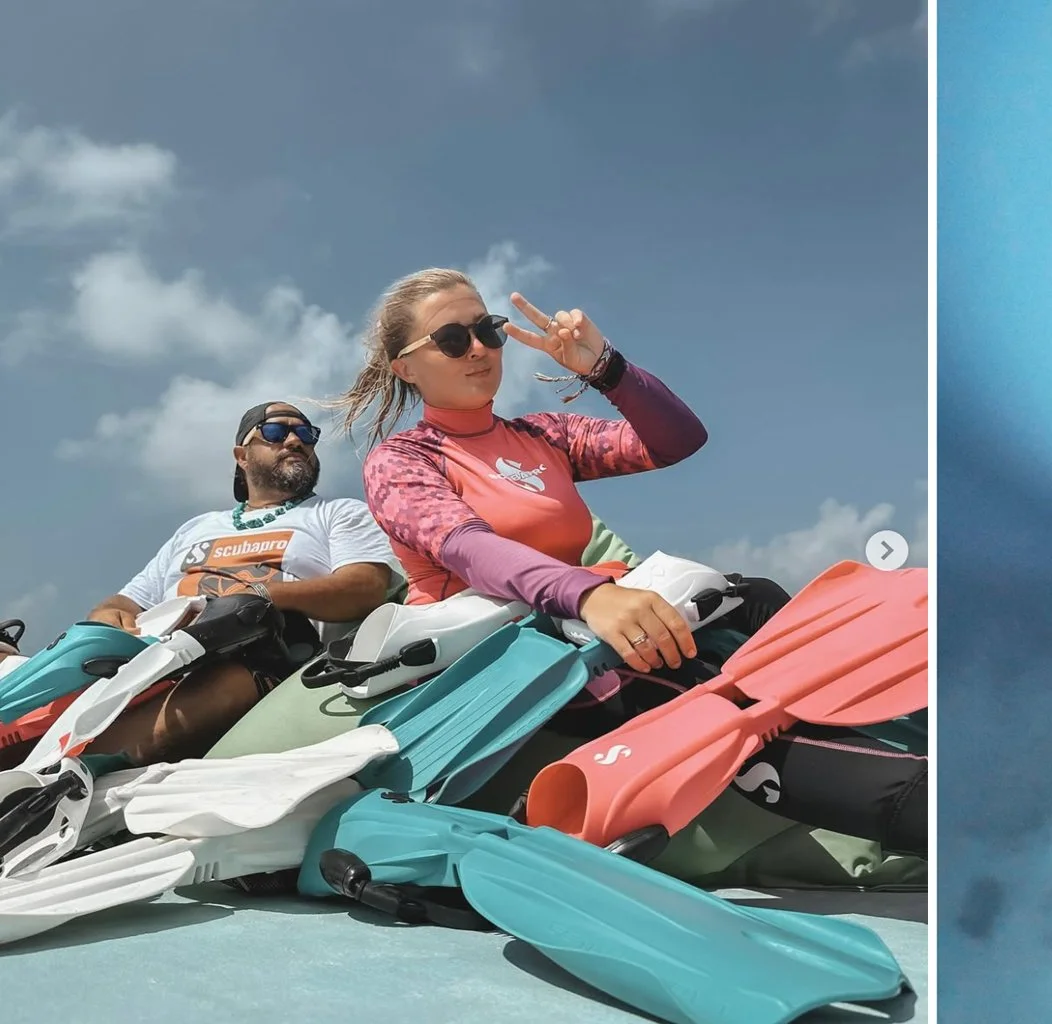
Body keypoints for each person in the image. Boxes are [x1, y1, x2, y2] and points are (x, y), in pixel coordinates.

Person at [325, 268, 925, 854]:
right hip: (506, 656)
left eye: (488, 330)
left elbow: (677, 441)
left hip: (584, 621)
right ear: (406, 367)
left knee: (758, 596)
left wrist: (605, 368)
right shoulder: (401, 461)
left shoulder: (542, 436)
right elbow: (471, 549)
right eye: (453, 339)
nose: (479, 348)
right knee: (704, 699)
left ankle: (912, 721)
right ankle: (926, 802)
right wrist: (590, 594)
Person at [77, 402, 402, 764]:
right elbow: (125, 602)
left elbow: (364, 587)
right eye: (275, 432)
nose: (295, 441)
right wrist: (107, 616)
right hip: (159, 660)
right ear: (242, 456)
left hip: (263, 665)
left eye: (306, 434)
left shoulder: (337, 513)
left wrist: (263, 595)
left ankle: (67, 770)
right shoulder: (196, 528)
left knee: (228, 681)